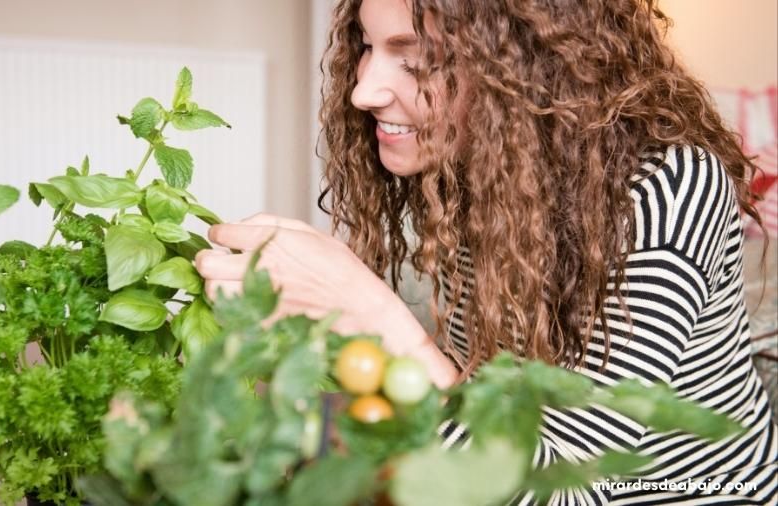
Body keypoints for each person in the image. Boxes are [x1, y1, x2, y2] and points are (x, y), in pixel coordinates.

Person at [195, 0, 778, 503]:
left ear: (533, 68)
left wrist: (372, 314)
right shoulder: (480, 175)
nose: (363, 90)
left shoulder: (668, 186)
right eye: (366, 47)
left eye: (417, 59)